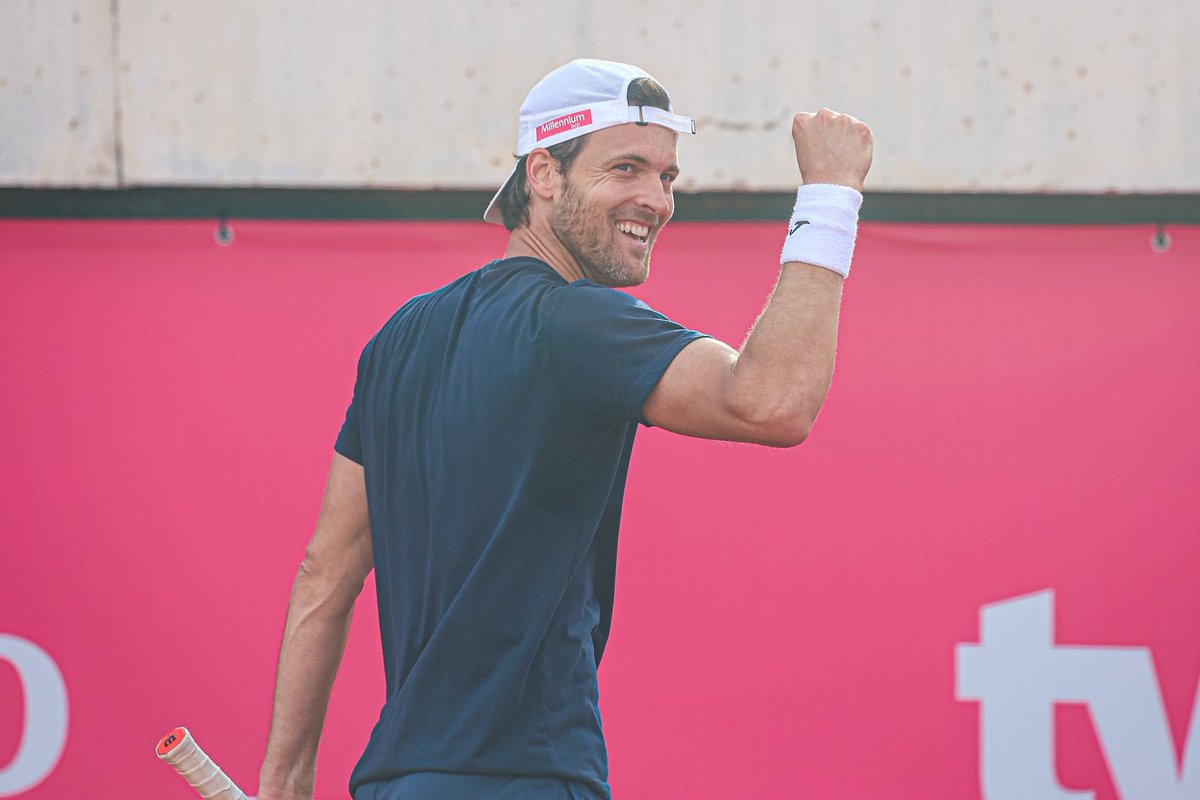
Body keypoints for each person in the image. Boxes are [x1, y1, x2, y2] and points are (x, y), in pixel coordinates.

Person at [257, 58, 873, 800]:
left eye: (667, 177)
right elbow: (773, 401)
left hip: (401, 781)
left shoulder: (399, 339)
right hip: (527, 778)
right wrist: (830, 198)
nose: (655, 200)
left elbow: (325, 573)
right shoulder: (577, 322)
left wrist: (284, 781)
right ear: (544, 175)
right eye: (626, 169)